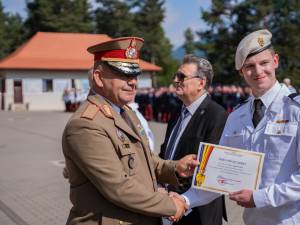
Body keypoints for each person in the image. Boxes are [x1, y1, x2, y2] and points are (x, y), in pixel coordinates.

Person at [62, 37, 199, 225]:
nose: (133, 82)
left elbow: (147, 161)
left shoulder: (125, 112)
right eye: (124, 75)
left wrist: (176, 169)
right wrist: (171, 204)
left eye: (135, 76)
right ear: (99, 77)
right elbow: (118, 187)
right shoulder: (86, 125)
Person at [220, 29, 300, 224]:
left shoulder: (296, 110)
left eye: (264, 63)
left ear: (275, 61)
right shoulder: (235, 117)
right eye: (249, 66)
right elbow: (220, 169)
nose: (257, 71)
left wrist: (259, 198)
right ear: (241, 72)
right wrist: (186, 199)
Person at [159, 55, 227, 225]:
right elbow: (165, 154)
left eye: (182, 76)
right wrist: (160, 186)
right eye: (176, 76)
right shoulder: (177, 112)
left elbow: (209, 170)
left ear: (201, 83)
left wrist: (178, 198)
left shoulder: (216, 115)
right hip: (169, 206)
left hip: (197, 212)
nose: (175, 80)